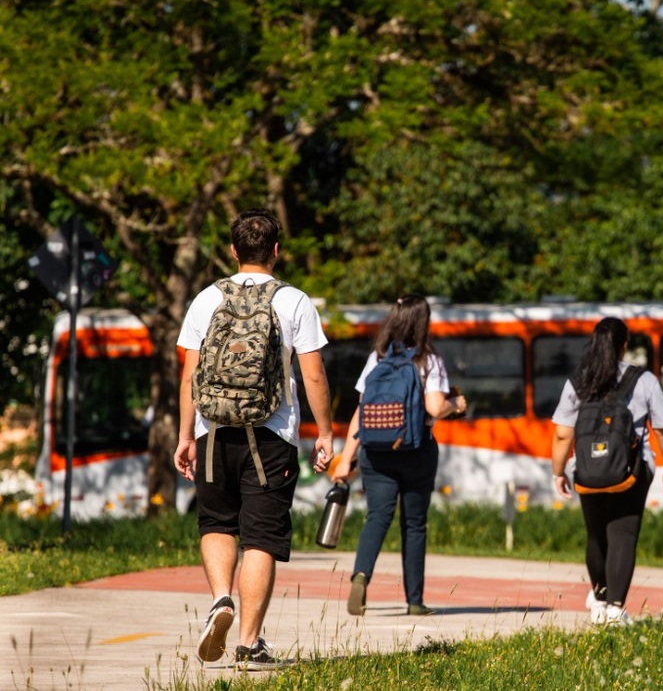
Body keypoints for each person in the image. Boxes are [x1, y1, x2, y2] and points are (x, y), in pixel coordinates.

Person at [174, 209, 334, 670]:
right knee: (260, 537)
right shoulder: (295, 301)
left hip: (212, 430)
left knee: (217, 523)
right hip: (272, 435)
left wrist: (186, 435)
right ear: (276, 251)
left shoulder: (206, 299)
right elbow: (313, 375)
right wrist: (324, 432)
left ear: (233, 251)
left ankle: (221, 599)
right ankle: (248, 641)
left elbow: (190, 374)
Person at [331, 294, 466, 617]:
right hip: (416, 451)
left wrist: (347, 458)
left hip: (375, 452)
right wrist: (456, 406)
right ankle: (415, 601)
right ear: (424, 323)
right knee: (415, 524)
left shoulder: (377, 360)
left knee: (377, 517)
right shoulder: (428, 361)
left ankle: (361, 576)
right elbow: (434, 407)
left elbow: (361, 411)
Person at [550, 317, 663, 626]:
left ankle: (600, 600)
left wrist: (558, 472)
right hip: (632, 471)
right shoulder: (644, 380)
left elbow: (562, 435)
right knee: (622, 533)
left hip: (586, 469)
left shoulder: (578, 381)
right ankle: (615, 609)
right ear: (624, 346)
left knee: (596, 533)